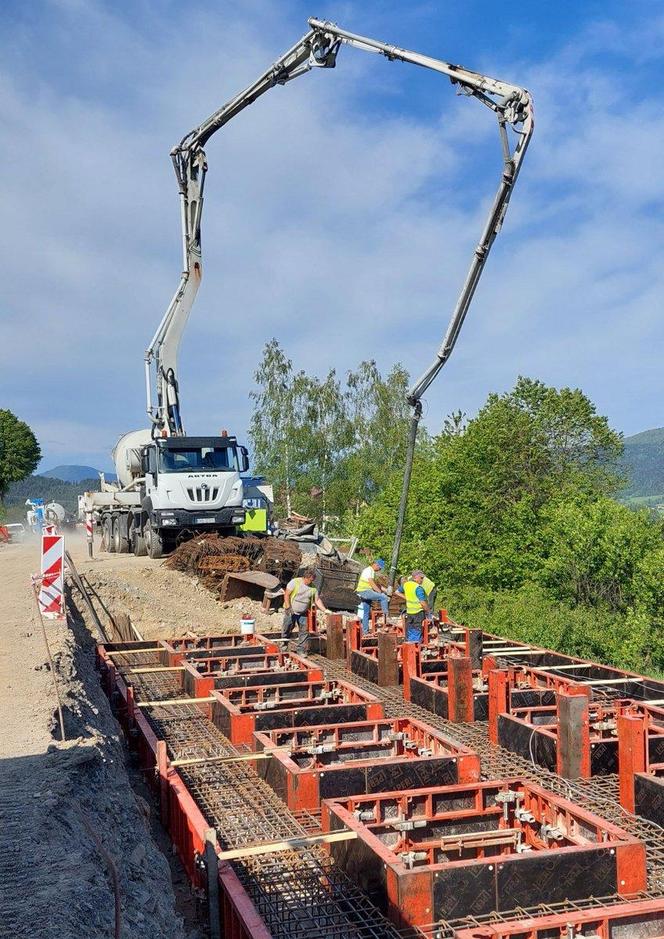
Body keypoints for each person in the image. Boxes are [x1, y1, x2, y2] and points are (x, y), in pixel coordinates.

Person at [282, 569, 328, 654]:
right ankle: (283, 645)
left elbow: (317, 600)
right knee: (287, 628)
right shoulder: (295, 582)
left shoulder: (313, 588)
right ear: (305, 578)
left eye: (313, 580)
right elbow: (287, 595)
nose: (311, 581)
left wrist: (325, 610)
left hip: (303, 613)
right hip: (291, 611)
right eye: (310, 580)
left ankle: (301, 650)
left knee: (304, 631)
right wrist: (288, 607)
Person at [356, 558, 390, 635]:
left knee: (366, 612)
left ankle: (365, 632)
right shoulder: (369, 570)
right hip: (365, 591)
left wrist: (386, 590)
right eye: (380, 568)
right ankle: (386, 616)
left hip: (363, 592)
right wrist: (380, 592)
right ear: (376, 565)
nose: (379, 570)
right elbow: (372, 583)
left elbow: (376, 585)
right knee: (384, 597)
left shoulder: (370, 571)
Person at [395, 570, 430, 643]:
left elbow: (397, 592)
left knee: (410, 629)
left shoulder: (406, 585)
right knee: (417, 629)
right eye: (421, 578)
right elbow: (423, 603)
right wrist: (428, 612)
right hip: (418, 612)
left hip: (410, 612)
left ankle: (409, 644)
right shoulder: (418, 588)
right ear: (416, 578)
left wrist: (406, 597)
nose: (422, 580)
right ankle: (415, 647)